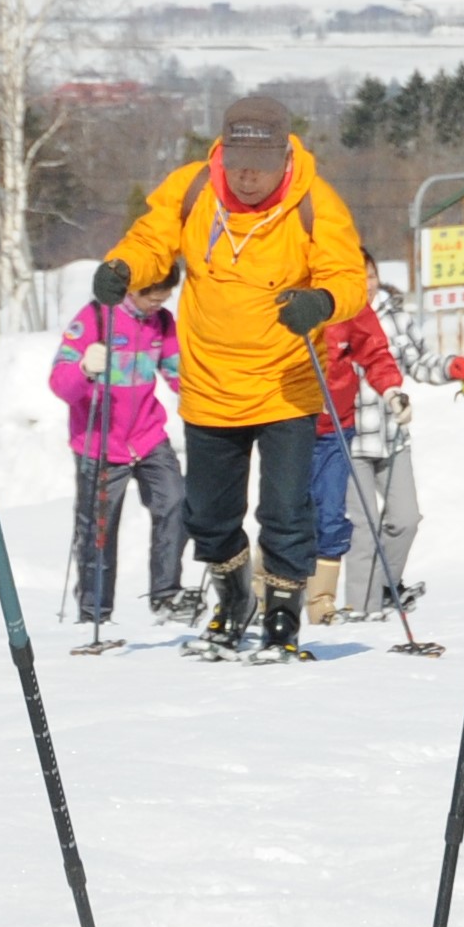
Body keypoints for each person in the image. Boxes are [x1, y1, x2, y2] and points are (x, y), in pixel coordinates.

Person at [90, 95, 367, 662]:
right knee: (208, 517)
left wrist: (321, 301)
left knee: (287, 513)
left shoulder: (315, 203)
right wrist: (123, 267)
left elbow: (348, 278)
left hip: (285, 383)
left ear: (283, 157)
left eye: (259, 166)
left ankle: (284, 617)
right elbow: (152, 240)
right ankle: (234, 596)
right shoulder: (194, 188)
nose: (246, 176)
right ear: (223, 150)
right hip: (211, 383)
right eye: (237, 162)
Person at [52, 267, 190, 640]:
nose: (156, 306)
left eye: (163, 299)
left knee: (176, 501)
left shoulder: (161, 322)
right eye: (151, 298)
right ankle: (95, 610)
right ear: (133, 290)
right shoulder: (94, 318)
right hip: (99, 442)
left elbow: (179, 373)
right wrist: (84, 368)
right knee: (99, 527)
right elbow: (60, 383)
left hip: (146, 437)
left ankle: (166, 595)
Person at [305, 290, 412, 625]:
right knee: (287, 513)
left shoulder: (347, 300)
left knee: (333, 517)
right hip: (288, 424)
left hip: (337, 428)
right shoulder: (285, 284)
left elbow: (375, 351)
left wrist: (392, 390)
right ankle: (265, 597)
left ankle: (322, 604)